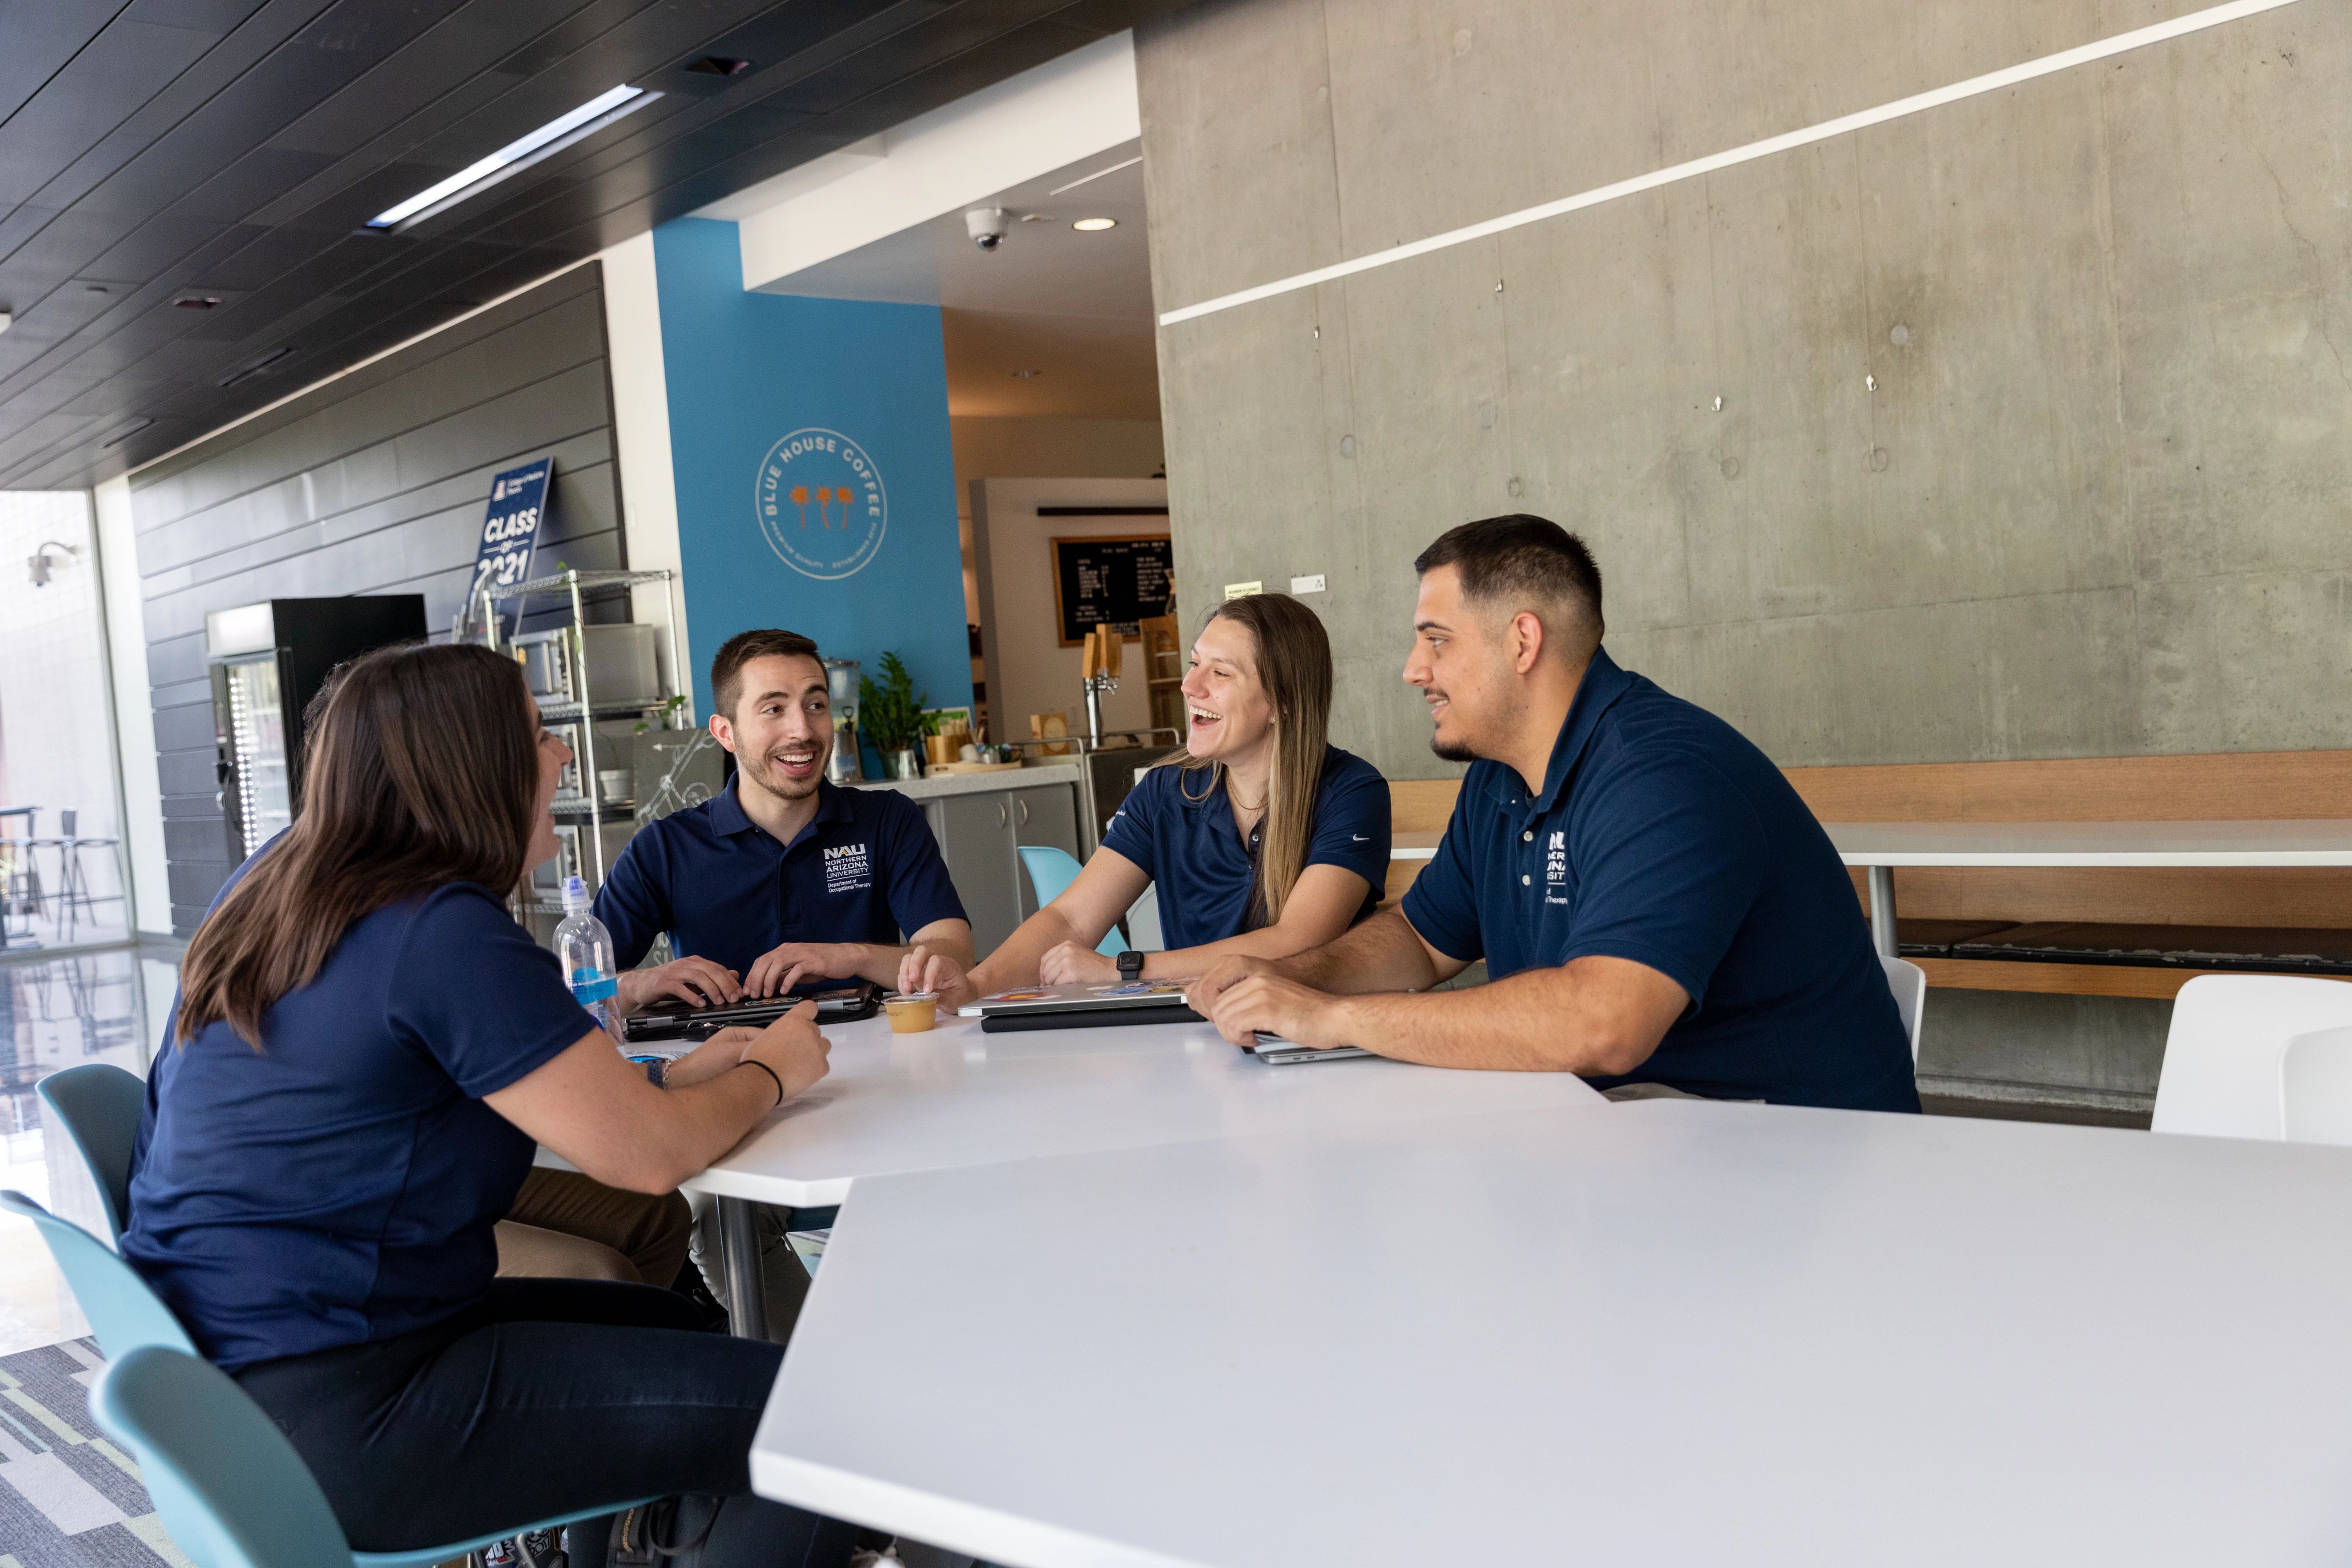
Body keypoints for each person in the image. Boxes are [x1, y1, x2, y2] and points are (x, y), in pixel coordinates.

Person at [122, 642, 856, 1567]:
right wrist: (775, 1071)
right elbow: (647, 1158)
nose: (562, 757)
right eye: (541, 735)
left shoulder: (280, 886)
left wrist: (679, 1076)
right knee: (823, 1418)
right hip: (355, 1411)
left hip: (238, 1382)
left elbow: (520, 1086)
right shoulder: (439, 930)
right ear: (474, 764)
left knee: (681, 1328)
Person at [1189, 515, 1918, 1111]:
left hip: (1796, 1172)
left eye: (1436, 640)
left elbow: (1606, 1024)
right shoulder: (1500, 776)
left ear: (1523, 641)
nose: (1414, 669)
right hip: (1637, 1141)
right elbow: (1419, 938)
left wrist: (1335, 1018)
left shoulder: (1663, 775)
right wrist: (1291, 979)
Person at [901, 594, 1390, 1008]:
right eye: (1194, 662)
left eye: (1219, 672)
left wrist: (1127, 969)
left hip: (1318, 1034)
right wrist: (975, 985)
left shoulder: (1351, 790)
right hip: (1204, 1030)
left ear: (1282, 701)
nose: (1189, 686)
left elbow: (1297, 940)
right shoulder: (1165, 792)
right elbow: (1069, 918)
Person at [595, 628, 972, 1010]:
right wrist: (642, 983)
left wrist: (852, 957)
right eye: (774, 709)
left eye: (816, 705)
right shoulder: (663, 849)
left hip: (880, 1055)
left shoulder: (889, 820)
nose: (803, 730)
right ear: (726, 732)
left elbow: (955, 958)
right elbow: (575, 988)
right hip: (729, 1062)